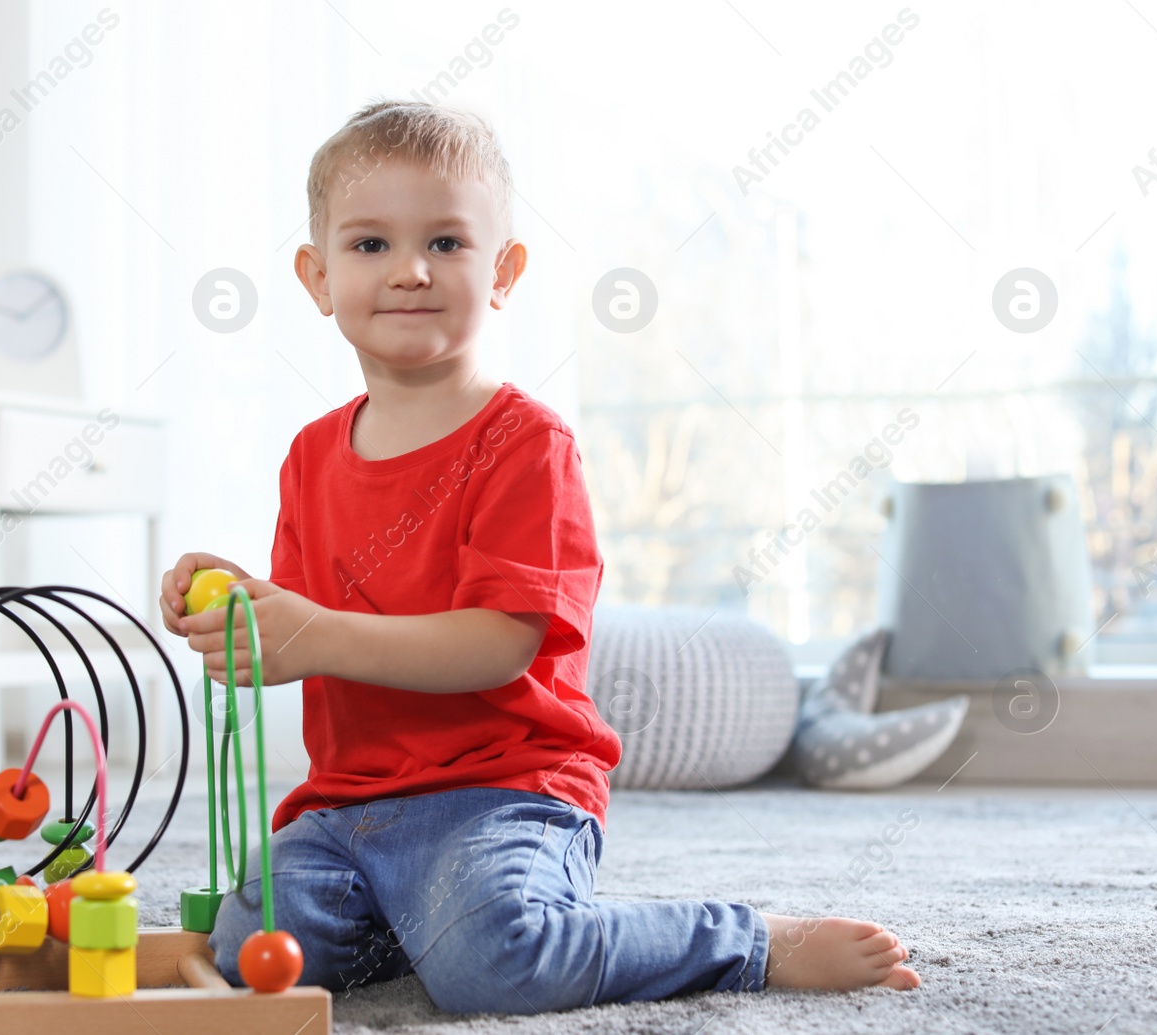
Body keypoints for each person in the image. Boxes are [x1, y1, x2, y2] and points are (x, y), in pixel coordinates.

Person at [158, 98, 920, 1014]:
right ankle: (417, 916)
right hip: (345, 805)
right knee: (249, 950)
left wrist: (314, 633)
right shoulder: (310, 456)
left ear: (505, 271)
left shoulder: (526, 443)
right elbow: (307, 637)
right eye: (370, 246)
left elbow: (497, 645)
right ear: (317, 278)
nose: (408, 270)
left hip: (502, 790)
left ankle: (751, 940)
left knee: (498, 965)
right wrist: (244, 610)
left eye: (445, 242)